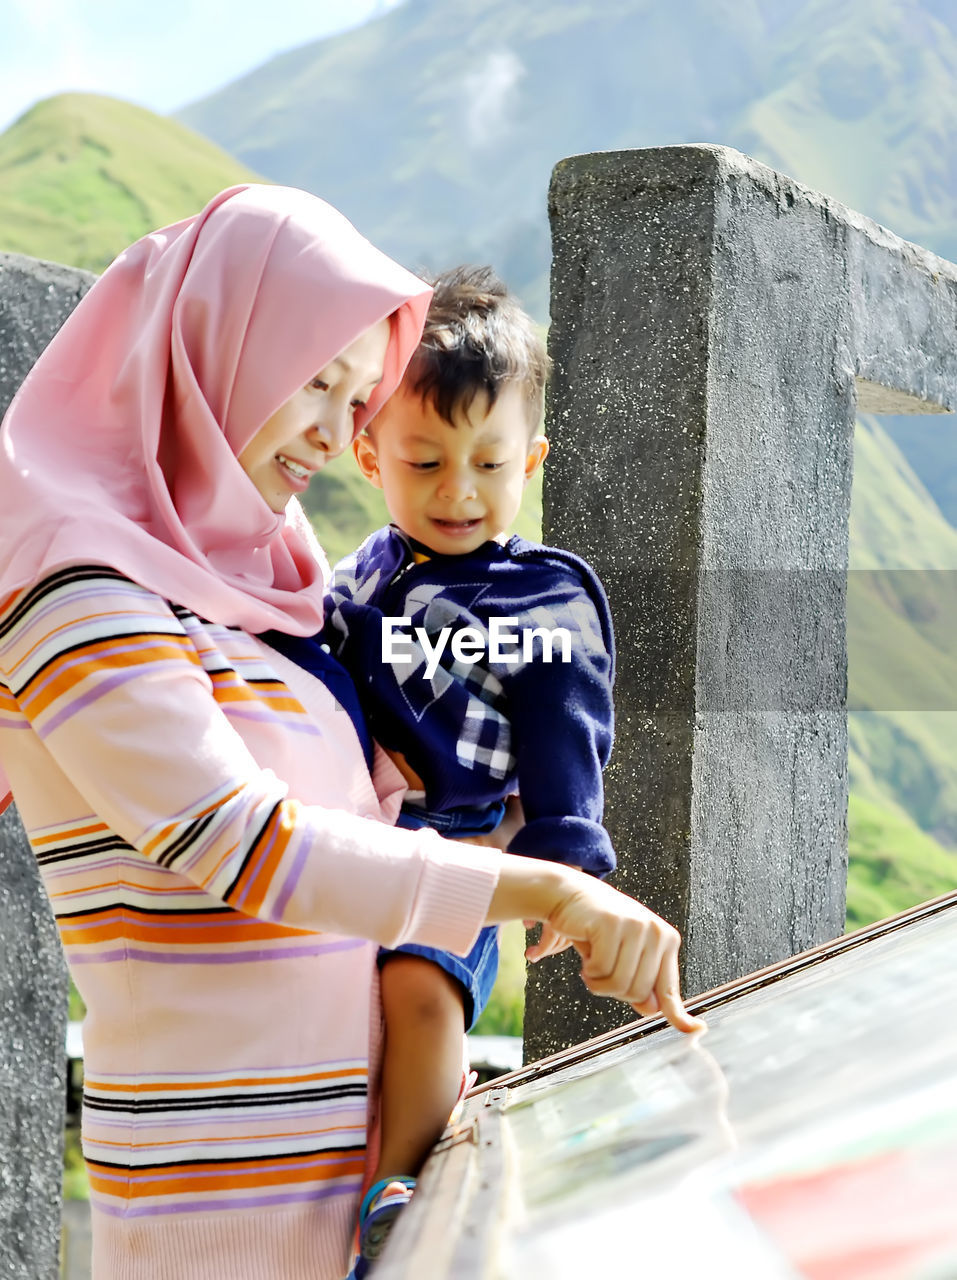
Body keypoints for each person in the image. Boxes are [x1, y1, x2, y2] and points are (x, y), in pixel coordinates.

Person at [0, 186, 702, 1280]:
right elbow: (243, 841)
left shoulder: (275, 589)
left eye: (360, 394)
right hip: (224, 1212)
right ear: (215, 345)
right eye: (317, 382)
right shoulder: (78, 590)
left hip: (376, 1197)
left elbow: (386, 801)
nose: (338, 434)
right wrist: (546, 888)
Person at [317, 266, 617, 1272]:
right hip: (361, 847)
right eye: (425, 458)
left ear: (529, 457)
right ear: (369, 452)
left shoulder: (540, 595)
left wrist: (561, 864)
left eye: (490, 462)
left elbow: (566, 725)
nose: (459, 490)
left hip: (464, 849)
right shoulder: (363, 574)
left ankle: (399, 1186)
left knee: (419, 980)